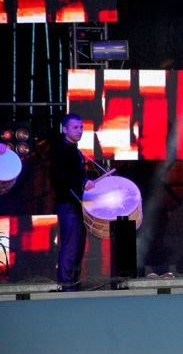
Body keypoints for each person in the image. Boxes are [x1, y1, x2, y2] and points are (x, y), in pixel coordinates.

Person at [50, 113, 94, 291]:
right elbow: (59, 176)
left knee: (78, 246)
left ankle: (73, 282)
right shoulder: (60, 149)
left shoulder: (75, 151)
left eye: (81, 127)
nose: (80, 131)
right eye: (76, 127)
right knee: (70, 246)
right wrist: (82, 183)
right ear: (64, 129)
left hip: (77, 205)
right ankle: (67, 284)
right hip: (68, 204)